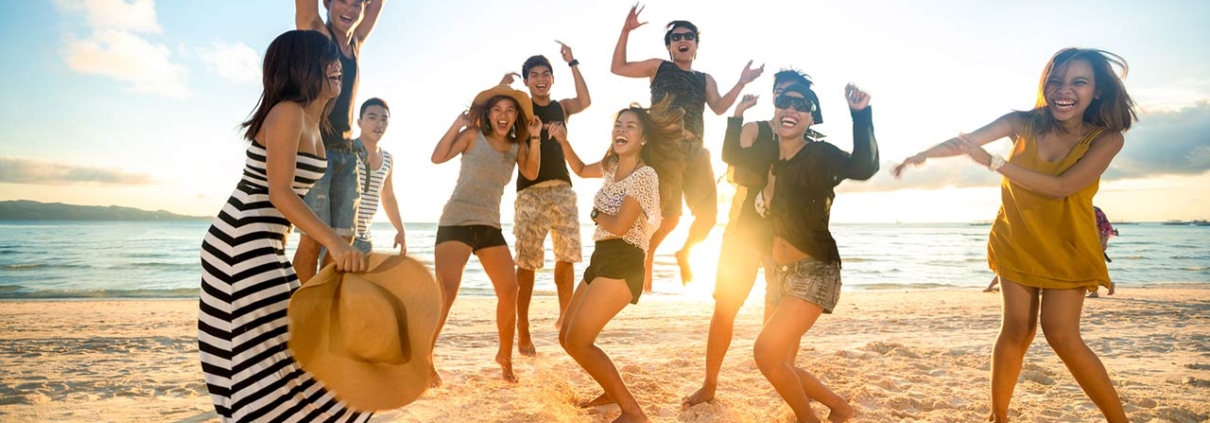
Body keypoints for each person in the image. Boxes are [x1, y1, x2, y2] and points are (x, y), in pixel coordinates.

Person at [892, 48, 1136, 423]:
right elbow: (967, 141)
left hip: (1067, 246)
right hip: (1017, 238)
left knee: (1061, 335)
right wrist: (922, 154)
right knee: (1016, 330)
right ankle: (998, 416)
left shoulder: (1107, 139)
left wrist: (993, 162)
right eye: (1055, 81)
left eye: (1078, 82)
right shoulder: (1022, 122)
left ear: (1097, 91)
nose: (1063, 90)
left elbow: (1061, 187)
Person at [198, 29, 369, 422]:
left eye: (336, 60)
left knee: (288, 339)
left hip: (264, 241)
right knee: (282, 339)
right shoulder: (288, 112)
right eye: (328, 60)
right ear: (304, 67)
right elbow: (280, 193)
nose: (336, 67)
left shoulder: (314, 123)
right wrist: (337, 245)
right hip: (241, 240)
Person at [732, 82, 877, 423]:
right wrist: (736, 118)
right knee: (780, 361)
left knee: (765, 353)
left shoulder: (820, 155)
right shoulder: (771, 163)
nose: (791, 109)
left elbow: (863, 167)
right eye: (784, 102)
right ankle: (839, 408)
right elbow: (734, 159)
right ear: (775, 111)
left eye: (801, 105)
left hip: (815, 270)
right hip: (781, 276)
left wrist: (861, 115)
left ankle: (808, 419)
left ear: (811, 119)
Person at [682, 69, 818, 407]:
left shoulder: (809, 140)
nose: (789, 103)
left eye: (797, 98)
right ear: (774, 98)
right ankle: (710, 384)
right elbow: (735, 168)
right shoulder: (754, 129)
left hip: (786, 240)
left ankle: (785, 378)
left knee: (780, 320)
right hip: (743, 233)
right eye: (783, 94)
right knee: (725, 308)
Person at [611, 4, 764, 289]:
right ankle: (649, 254)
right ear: (669, 46)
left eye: (689, 37)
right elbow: (617, 67)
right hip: (665, 149)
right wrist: (625, 31)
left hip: (697, 153)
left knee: (708, 219)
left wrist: (742, 83)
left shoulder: (704, 79)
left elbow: (718, 107)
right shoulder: (659, 67)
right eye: (677, 37)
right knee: (670, 217)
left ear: (696, 46)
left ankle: (684, 252)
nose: (683, 40)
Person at [555, 97, 685, 423]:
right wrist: (562, 140)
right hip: (602, 258)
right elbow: (583, 169)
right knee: (566, 336)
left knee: (579, 341)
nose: (621, 130)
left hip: (624, 260)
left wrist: (596, 212)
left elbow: (619, 225)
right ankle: (611, 391)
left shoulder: (645, 176)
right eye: (618, 124)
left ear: (643, 139)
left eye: (630, 126)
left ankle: (633, 412)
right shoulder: (612, 168)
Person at [429, 84, 542, 386]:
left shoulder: (518, 147)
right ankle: (424, 357)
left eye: (509, 110)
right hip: (456, 222)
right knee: (446, 292)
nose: (503, 115)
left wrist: (535, 137)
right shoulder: (472, 137)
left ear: (516, 115)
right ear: (489, 116)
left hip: (490, 226)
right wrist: (459, 122)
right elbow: (437, 157)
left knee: (509, 290)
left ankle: (504, 357)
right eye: (497, 109)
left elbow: (531, 173)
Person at [499, 45, 592, 356]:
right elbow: (492, 113)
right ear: (526, 82)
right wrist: (503, 87)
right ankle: (522, 329)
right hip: (529, 192)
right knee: (526, 265)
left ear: (552, 79)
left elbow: (585, 101)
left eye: (545, 74)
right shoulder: (520, 111)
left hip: (563, 189)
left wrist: (572, 62)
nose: (540, 79)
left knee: (567, 258)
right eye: (534, 75)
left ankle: (565, 317)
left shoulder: (562, 108)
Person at [293, 0, 387, 283]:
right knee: (312, 239)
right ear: (327, 3)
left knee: (344, 238)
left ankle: (322, 305)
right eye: (342, 1)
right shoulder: (318, 34)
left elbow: (377, 4)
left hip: (348, 154)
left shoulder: (356, 41)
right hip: (316, 150)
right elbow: (306, 10)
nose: (350, 8)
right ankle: (301, 311)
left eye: (357, 3)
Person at [350, 97, 406, 255]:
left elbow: (388, 197)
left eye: (384, 119)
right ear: (360, 122)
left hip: (365, 240)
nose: (378, 124)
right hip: (340, 237)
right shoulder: (346, 150)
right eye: (372, 117)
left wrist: (401, 230)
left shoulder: (388, 159)